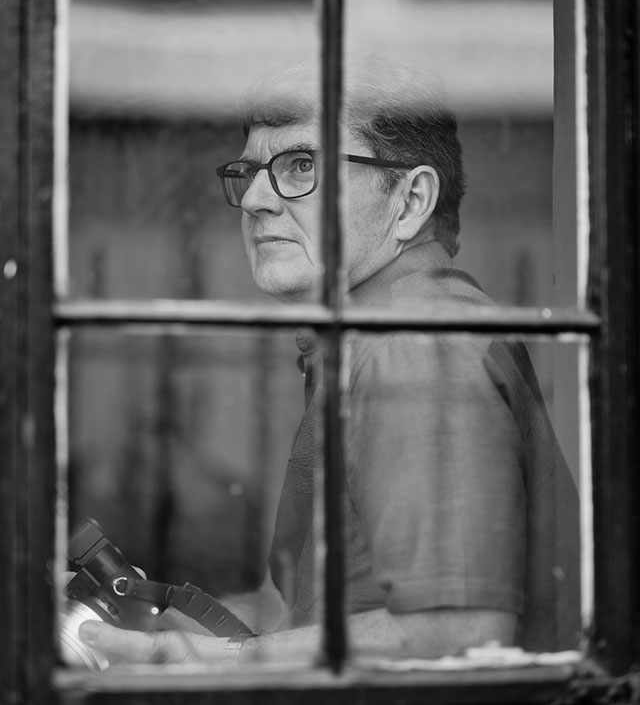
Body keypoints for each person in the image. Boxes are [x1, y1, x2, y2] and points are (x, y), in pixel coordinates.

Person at [74, 54, 580, 666]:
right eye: (251, 171)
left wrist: (220, 660)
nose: (255, 198)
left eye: (301, 164)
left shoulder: (416, 347)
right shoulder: (373, 338)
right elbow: (315, 614)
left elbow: (459, 636)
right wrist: (183, 630)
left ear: (411, 199)